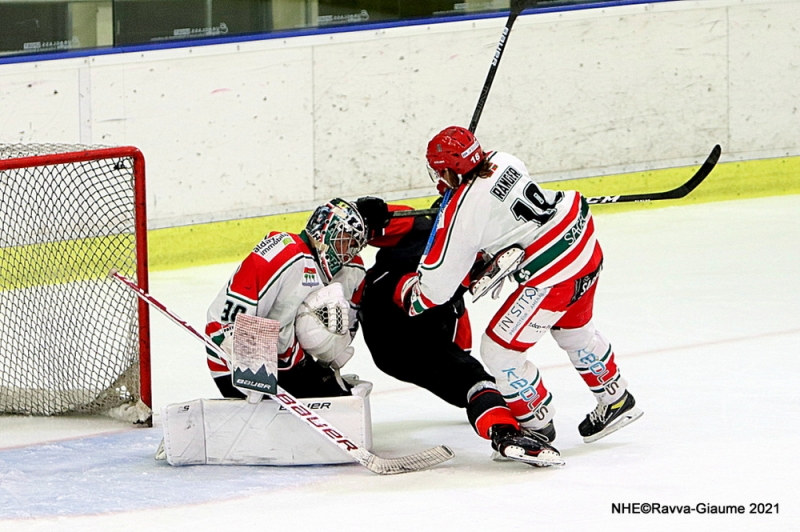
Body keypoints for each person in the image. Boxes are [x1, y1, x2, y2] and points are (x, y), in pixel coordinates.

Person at [394, 126, 643, 464]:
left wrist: (415, 296)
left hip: (553, 275)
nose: (437, 176)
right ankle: (616, 398)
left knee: (499, 350)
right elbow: (501, 215)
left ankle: (536, 424)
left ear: (451, 169)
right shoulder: (504, 160)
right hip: (583, 246)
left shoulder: (462, 214)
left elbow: (437, 285)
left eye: (439, 170)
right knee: (575, 332)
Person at [354, 196, 561, 467]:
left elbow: (461, 345)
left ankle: (505, 433)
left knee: (475, 381)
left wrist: (462, 371)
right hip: (382, 318)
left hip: (412, 346)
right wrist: (369, 213)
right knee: (416, 292)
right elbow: (355, 226)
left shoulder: (467, 258)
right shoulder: (421, 226)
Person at [205, 198, 369, 399]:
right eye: (346, 241)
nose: (348, 252)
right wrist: (250, 368)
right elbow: (224, 319)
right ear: (326, 229)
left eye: (354, 246)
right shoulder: (285, 252)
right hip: (235, 364)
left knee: (339, 396)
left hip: (286, 361)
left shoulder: (332, 267)